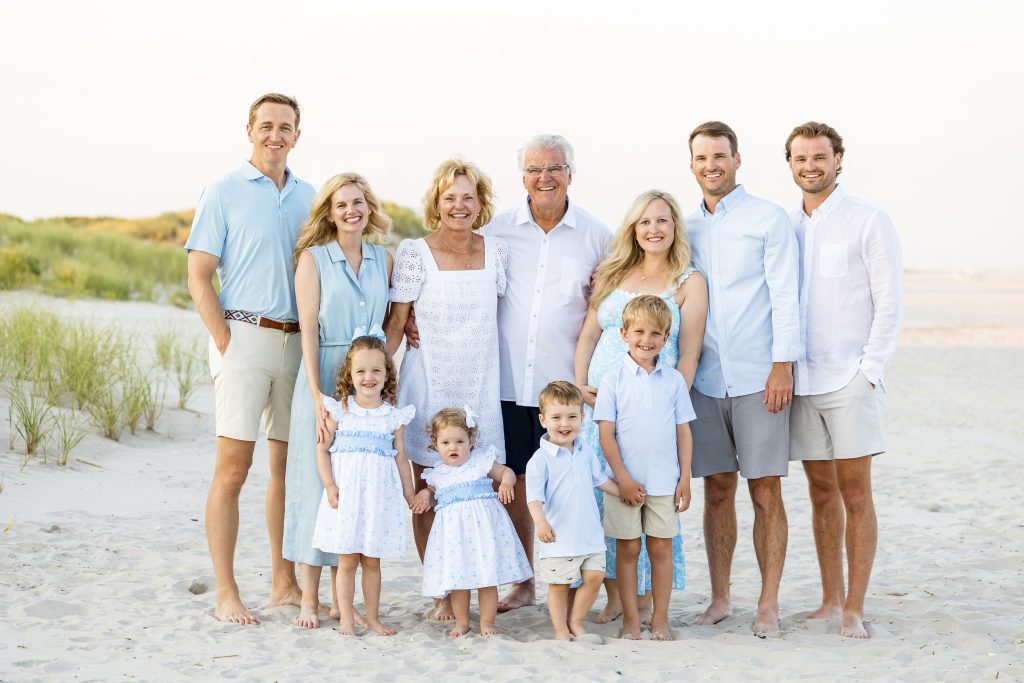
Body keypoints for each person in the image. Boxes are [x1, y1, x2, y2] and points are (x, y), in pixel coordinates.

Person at [184, 93, 315, 624]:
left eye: (285, 127)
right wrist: (224, 341)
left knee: (287, 468)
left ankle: (283, 582)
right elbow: (199, 275)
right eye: (266, 126)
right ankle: (226, 592)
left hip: (297, 345)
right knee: (233, 470)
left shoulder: (311, 196)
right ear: (250, 130)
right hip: (243, 339)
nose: (275, 135)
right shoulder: (223, 191)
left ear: (297, 135)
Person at [481, 134, 613, 612]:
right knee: (516, 482)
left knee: (570, 485)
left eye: (555, 168)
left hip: (564, 392)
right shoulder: (495, 231)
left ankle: (573, 578)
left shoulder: (597, 236)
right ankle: (525, 580)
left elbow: (610, 305)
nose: (545, 177)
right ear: (523, 179)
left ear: (570, 174)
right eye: (536, 170)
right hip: (508, 380)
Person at [784, 121, 903, 639]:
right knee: (819, 492)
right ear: (789, 164)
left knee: (856, 493)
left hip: (850, 378)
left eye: (819, 157)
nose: (810, 166)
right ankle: (829, 598)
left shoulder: (868, 220)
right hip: (804, 380)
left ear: (838, 160)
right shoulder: (785, 225)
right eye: (800, 158)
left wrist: (869, 371)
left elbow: (890, 302)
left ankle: (854, 607)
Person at [685, 120, 802, 636]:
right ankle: (720, 598)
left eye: (720, 156)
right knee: (715, 491)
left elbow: (784, 295)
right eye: (702, 158)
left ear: (737, 160)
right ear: (691, 165)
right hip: (705, 380)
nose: (711, 166)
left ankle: (768, 603)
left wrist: (783, 365)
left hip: (760, 378)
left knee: (766, 492)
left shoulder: (767, 219)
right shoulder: (682, 227)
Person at [574, 190, 707, 623]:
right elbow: (589, 336)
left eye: (663, 221)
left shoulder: (688, 281)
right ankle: (615, 596)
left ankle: (647, 599)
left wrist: (669, 405)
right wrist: (580, 385)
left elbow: (689, 353)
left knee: (648, 496)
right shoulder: (614, 274)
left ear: (675, 227)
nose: (654, 229)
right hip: (600, 408)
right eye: (646, 221)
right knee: (605, 500)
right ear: (634, 227)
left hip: (650, 408)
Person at [383, 157, 508, 621]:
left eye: (468, 197)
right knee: (429, 494)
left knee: (478, 493)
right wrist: (381, 385)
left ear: (481, 203)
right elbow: (396, 323)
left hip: (479, 387)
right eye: (450, 197)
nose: (459, 205)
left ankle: (481, 590)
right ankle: (440, 591)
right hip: (427, 385)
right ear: (437, 202)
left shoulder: (497, 252)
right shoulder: (416, 252)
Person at [283, 172, 394, 629]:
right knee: (317, 488)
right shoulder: (313, 259)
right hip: (326, 375)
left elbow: (391, 323)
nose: (352, 211)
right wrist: (316, 395)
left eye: (359, 203)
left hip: (368, 383)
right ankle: (309, 598)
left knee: (352, 489)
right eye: (342, 204)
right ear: (330, 213)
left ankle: (340, 599)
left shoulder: (384, 259)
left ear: (369, 208)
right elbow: (308, 331)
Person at [593, 295, 696, 641]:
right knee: (628, 549)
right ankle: (631, 621)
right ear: (623, 333)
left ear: (666, 338)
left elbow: (683, 431)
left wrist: (685, 479)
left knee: (661, 548)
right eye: (638, 331)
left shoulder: (674, 381)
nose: (646, 340)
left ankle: (661, 620)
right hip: (624, 483)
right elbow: (606, 435)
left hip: (665, 483)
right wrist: (622, 479)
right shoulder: (613, 380)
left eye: (655, 333)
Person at [310, 335, 420, 636]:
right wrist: (329, 484)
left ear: (387, 374)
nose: (368, 377)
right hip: (347, 496)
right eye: (361, 371)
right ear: (350, 375)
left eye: (376, 371)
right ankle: (346, 617)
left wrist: (408, 492)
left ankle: (372, 618)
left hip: (378, 498)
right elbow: (321, 449)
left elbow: (401, 458)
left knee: (372, 562)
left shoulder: (393, 417)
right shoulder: (340, 411)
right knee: (346, 562)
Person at [419, 408, 533, 638]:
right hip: (455, 538)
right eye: (446, 442)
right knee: (459, 582)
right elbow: (430, 493)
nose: (454, 447)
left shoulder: (481, 462)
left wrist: (507, 483)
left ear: (471, 441)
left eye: (460, 441)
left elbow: (506, 472)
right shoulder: (437, 473)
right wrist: (424, 496)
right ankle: (462, 622)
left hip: (483, 534)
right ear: (435, 445)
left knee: (486, 580)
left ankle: (487, 621)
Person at [526, 381, 622, 641]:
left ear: (582, 417)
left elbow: (600, 481)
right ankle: (561, 630)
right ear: (543, 420)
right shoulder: (540, 460)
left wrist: (623, 491)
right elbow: (534, 497)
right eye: (556, 417)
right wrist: (541, 523)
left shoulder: (585, 451)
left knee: (594, 577)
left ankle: (576, 621)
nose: (564, 424)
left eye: (571, 416)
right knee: (559, 586)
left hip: (589, 534)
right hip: (559, 536)